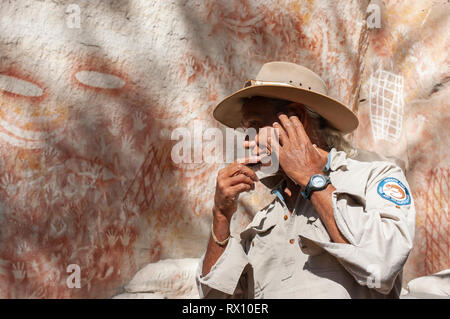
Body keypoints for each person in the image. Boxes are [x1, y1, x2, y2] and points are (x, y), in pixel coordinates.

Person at [196, 61, 415, 298]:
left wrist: (311, 177)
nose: (249, 142)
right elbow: (215, 300)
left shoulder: (375, 177)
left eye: (256, 126)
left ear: (297, 118)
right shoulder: (263, 220)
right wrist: (221, 214)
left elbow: (381, 265)